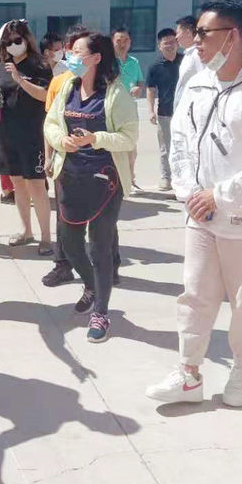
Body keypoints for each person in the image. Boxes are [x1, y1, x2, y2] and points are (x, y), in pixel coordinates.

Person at [146, 0, 242, 407]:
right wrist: (189, 193)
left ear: (233, 36)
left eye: (203, 33)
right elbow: (181, 142)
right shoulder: (198, 85)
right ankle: (188, 373)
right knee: (195, 294)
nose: (194, 41)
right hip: (201, 214)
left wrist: (220, 194)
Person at [44, 30, 138, 343]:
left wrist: (95, 138)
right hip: (70, 177)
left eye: (77, 52)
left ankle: (101, 312)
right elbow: (51, 124)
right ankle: (92, 286)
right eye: (70, 51)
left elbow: (129, 137)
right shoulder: (67, 86)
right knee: (70, 244)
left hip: (105, 180)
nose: (71, 57)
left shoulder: (115, 93)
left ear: (96, 58)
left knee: (100, 247)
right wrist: (62, 141)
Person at [0, 20, 53, 255]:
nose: (13, 45)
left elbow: (44, 95)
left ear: (27, 40)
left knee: (36, 185)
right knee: (17, 183)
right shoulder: (3, 66)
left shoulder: (40, 65)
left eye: (17, 40)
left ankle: (46, 237)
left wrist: (20, 80)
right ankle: (26, 230)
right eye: (8, 42)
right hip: (8, 133)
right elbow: (1, 90)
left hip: (32, 134)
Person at [42, 24, 84, 287]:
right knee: (64, 216)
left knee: (101, 220)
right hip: (65, 161)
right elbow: (50, 124)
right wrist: (49, 157)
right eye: (73, 49)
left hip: (96, 162)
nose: (77, 55)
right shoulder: (58, 82)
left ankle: (109, 264)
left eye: (83, 49)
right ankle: (62, 265)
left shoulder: (106, 83)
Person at [146, 28, 182, 191]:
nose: (170, 45)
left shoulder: (186, 61)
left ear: (177, 43)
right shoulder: (155, 66)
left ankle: (182, 178)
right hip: (164, 113)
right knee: (165, 148)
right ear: (159, 46)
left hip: (185, 113)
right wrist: (150, 110)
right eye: (166, 43)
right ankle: (166, 177)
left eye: (172, 42)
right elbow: (150, 90)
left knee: (185, 146)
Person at [111, 27, 144, 195]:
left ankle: (130, 180)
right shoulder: (108, 62)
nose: (122, 44)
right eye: (119, 40)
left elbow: (140, 81)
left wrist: (139, 88)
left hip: (130, 110)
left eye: (126, 40)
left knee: (131, 147)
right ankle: (115, 181)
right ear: (112, 42)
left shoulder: (134, 62)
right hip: (112, 110)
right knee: (114, 147)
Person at [174, 15, 203, 110]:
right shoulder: (188, 54)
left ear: (188, 32)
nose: (176, 37)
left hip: (193, 109)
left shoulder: (198, 54)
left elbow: (205, 81)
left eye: (178, 33)